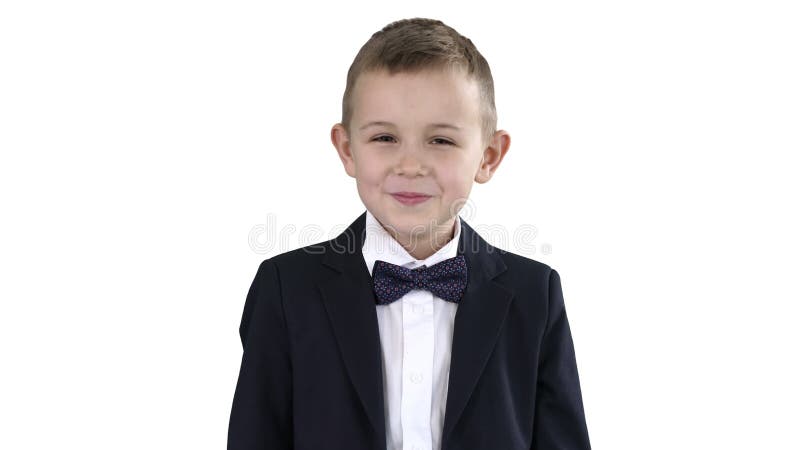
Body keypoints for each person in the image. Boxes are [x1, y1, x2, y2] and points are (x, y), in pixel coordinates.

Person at [228, 17, 591, 450]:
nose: (410, 166)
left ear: (489, 156)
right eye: (384, 137)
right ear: (347, 150)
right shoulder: (285, 289)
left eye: (440, 141)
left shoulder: (535, 294)